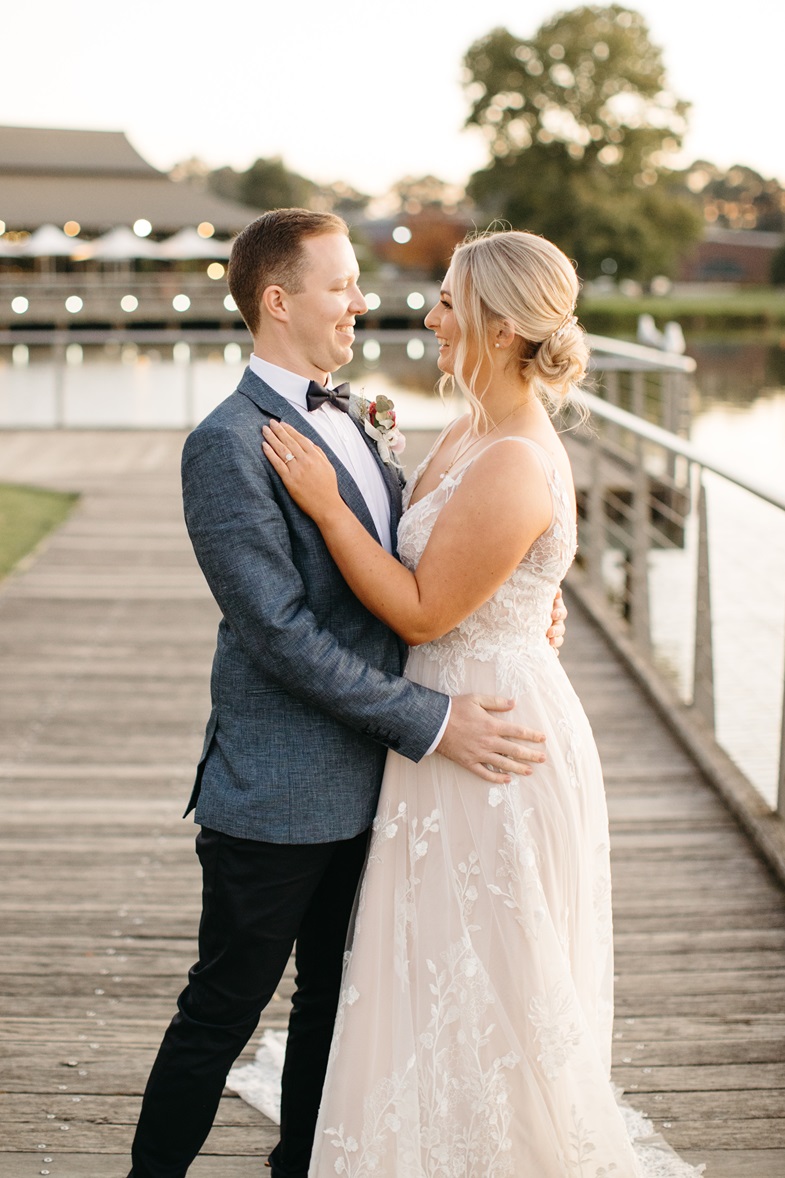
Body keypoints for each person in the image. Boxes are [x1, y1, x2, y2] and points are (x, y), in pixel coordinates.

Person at [127, 210, 566, 1178]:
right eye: (339, 285)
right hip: (278, 788)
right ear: (278, 302)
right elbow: (277, 633)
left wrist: (532, 583)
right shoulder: (228, 443)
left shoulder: (356, 411)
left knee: (336, 999)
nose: (363, 301)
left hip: (383, 790)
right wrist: (432, 718)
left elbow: (430, 548)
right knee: (223, 1005)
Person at [262, 229, 704, 1177]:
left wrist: (327, 506)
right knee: (433, 957)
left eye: (450, 305)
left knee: (493, 962)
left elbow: (424, 613)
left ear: (500, 330)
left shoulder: (510, 458)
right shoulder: (470, 427)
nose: (430, 316)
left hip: (487, 734)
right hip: (443, 717)